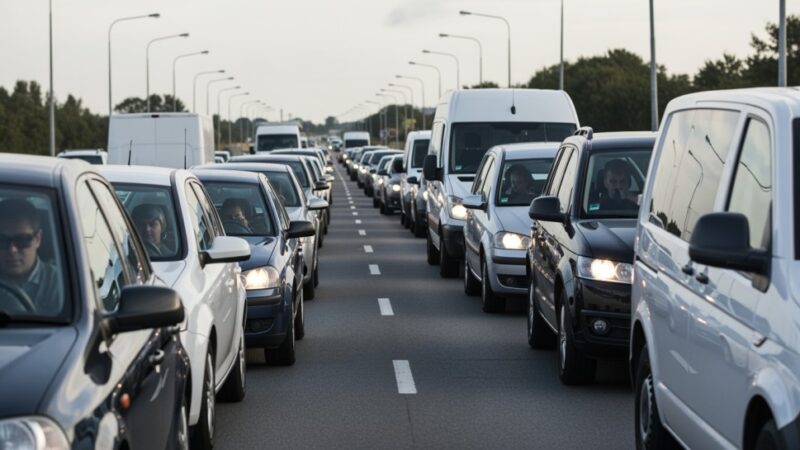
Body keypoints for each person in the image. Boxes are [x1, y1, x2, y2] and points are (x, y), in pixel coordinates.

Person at [0, 198, 61, 313]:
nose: (12, 250)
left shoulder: (60, 286)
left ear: (38, 239)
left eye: (22, 240)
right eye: (2, 240)